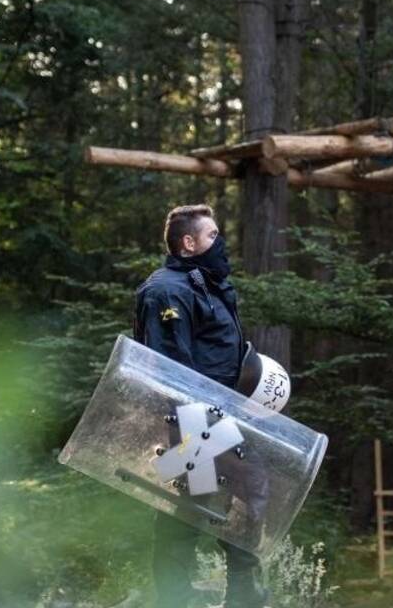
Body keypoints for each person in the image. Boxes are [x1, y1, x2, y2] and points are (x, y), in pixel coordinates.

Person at [134, 204, 266, 608]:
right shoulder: (166, 291)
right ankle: (175, 600)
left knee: (247, 505)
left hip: (227, 417)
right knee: (183, 518)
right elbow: (170, 369)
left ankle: (244, 598)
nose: (220, 243)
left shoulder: (204, 285)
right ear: (188, 243)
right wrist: (195, 430)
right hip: (192, 422)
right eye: (212, 236)